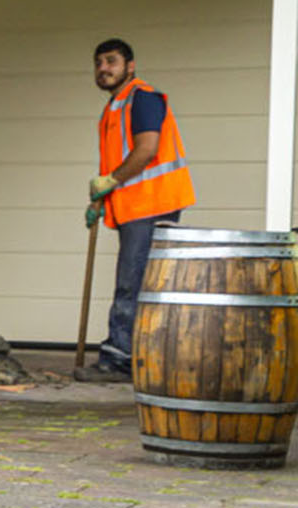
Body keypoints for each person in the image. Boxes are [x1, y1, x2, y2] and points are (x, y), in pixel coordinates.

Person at [76, 37, 195, 383]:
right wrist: (101, 200)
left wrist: (110, 181)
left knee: (131, 282)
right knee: (134, 281)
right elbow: (118, 161)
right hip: (135, 205)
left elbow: (146, 150)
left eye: (111, 61)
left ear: (130, 66)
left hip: (153, 203)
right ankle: (133, 355)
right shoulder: (115, 107)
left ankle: (120, 359)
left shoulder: (142, 98)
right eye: (98, 63)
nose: (103, 69)